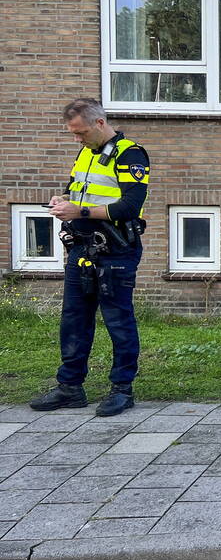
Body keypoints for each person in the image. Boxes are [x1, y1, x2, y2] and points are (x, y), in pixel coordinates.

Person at [29, 98, 150, 417]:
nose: (77, 139)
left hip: (116, 250)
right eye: (73, 133)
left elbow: (129, 207)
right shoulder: (86, 151)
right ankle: (70, 387)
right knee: (74, 319)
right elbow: (77, 189)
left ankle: (122, 389)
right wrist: (62, 200)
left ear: (99, 123)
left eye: (81, 132)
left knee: (118, 320)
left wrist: (79, 210)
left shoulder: (130, 154)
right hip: (82, 248)